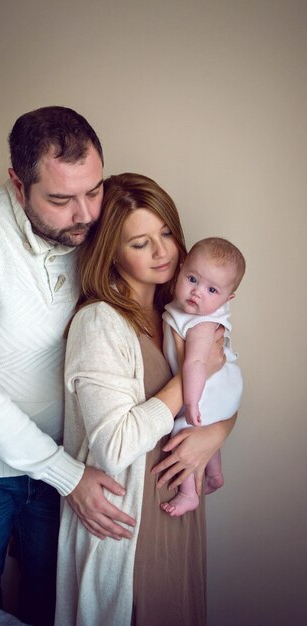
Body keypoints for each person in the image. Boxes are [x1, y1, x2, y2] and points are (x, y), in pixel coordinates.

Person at [0, 106, 136, 626]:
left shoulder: (94, 229)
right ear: (17, 184)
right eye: (60, 199)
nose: (84, 213)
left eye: (94, 189)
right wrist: (69, 477)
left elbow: (179, 310)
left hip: (64, 454)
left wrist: (212, 426)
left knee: (50, 589)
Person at [55, 173, 237, 626]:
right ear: (111, 253)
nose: (163, 252)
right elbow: (114, 446)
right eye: (140, 243)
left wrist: (217, 432)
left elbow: (223, 389)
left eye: (167, 234)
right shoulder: (99, 323)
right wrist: (185, 383)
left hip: (178, 510)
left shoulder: (182, 314)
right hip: (127, 527)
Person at [161, 237, 245, 517]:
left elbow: (197, 362)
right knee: (203, 430)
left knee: (184, 431)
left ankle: (188, 494)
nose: (198, 293)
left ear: (227, 298)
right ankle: (215, 474)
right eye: (192, 279)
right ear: (181, 268)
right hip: (222, 389)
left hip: (210, 388)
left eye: (211, 289)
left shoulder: (201, 322)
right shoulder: (188, 308)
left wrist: (192, 404)